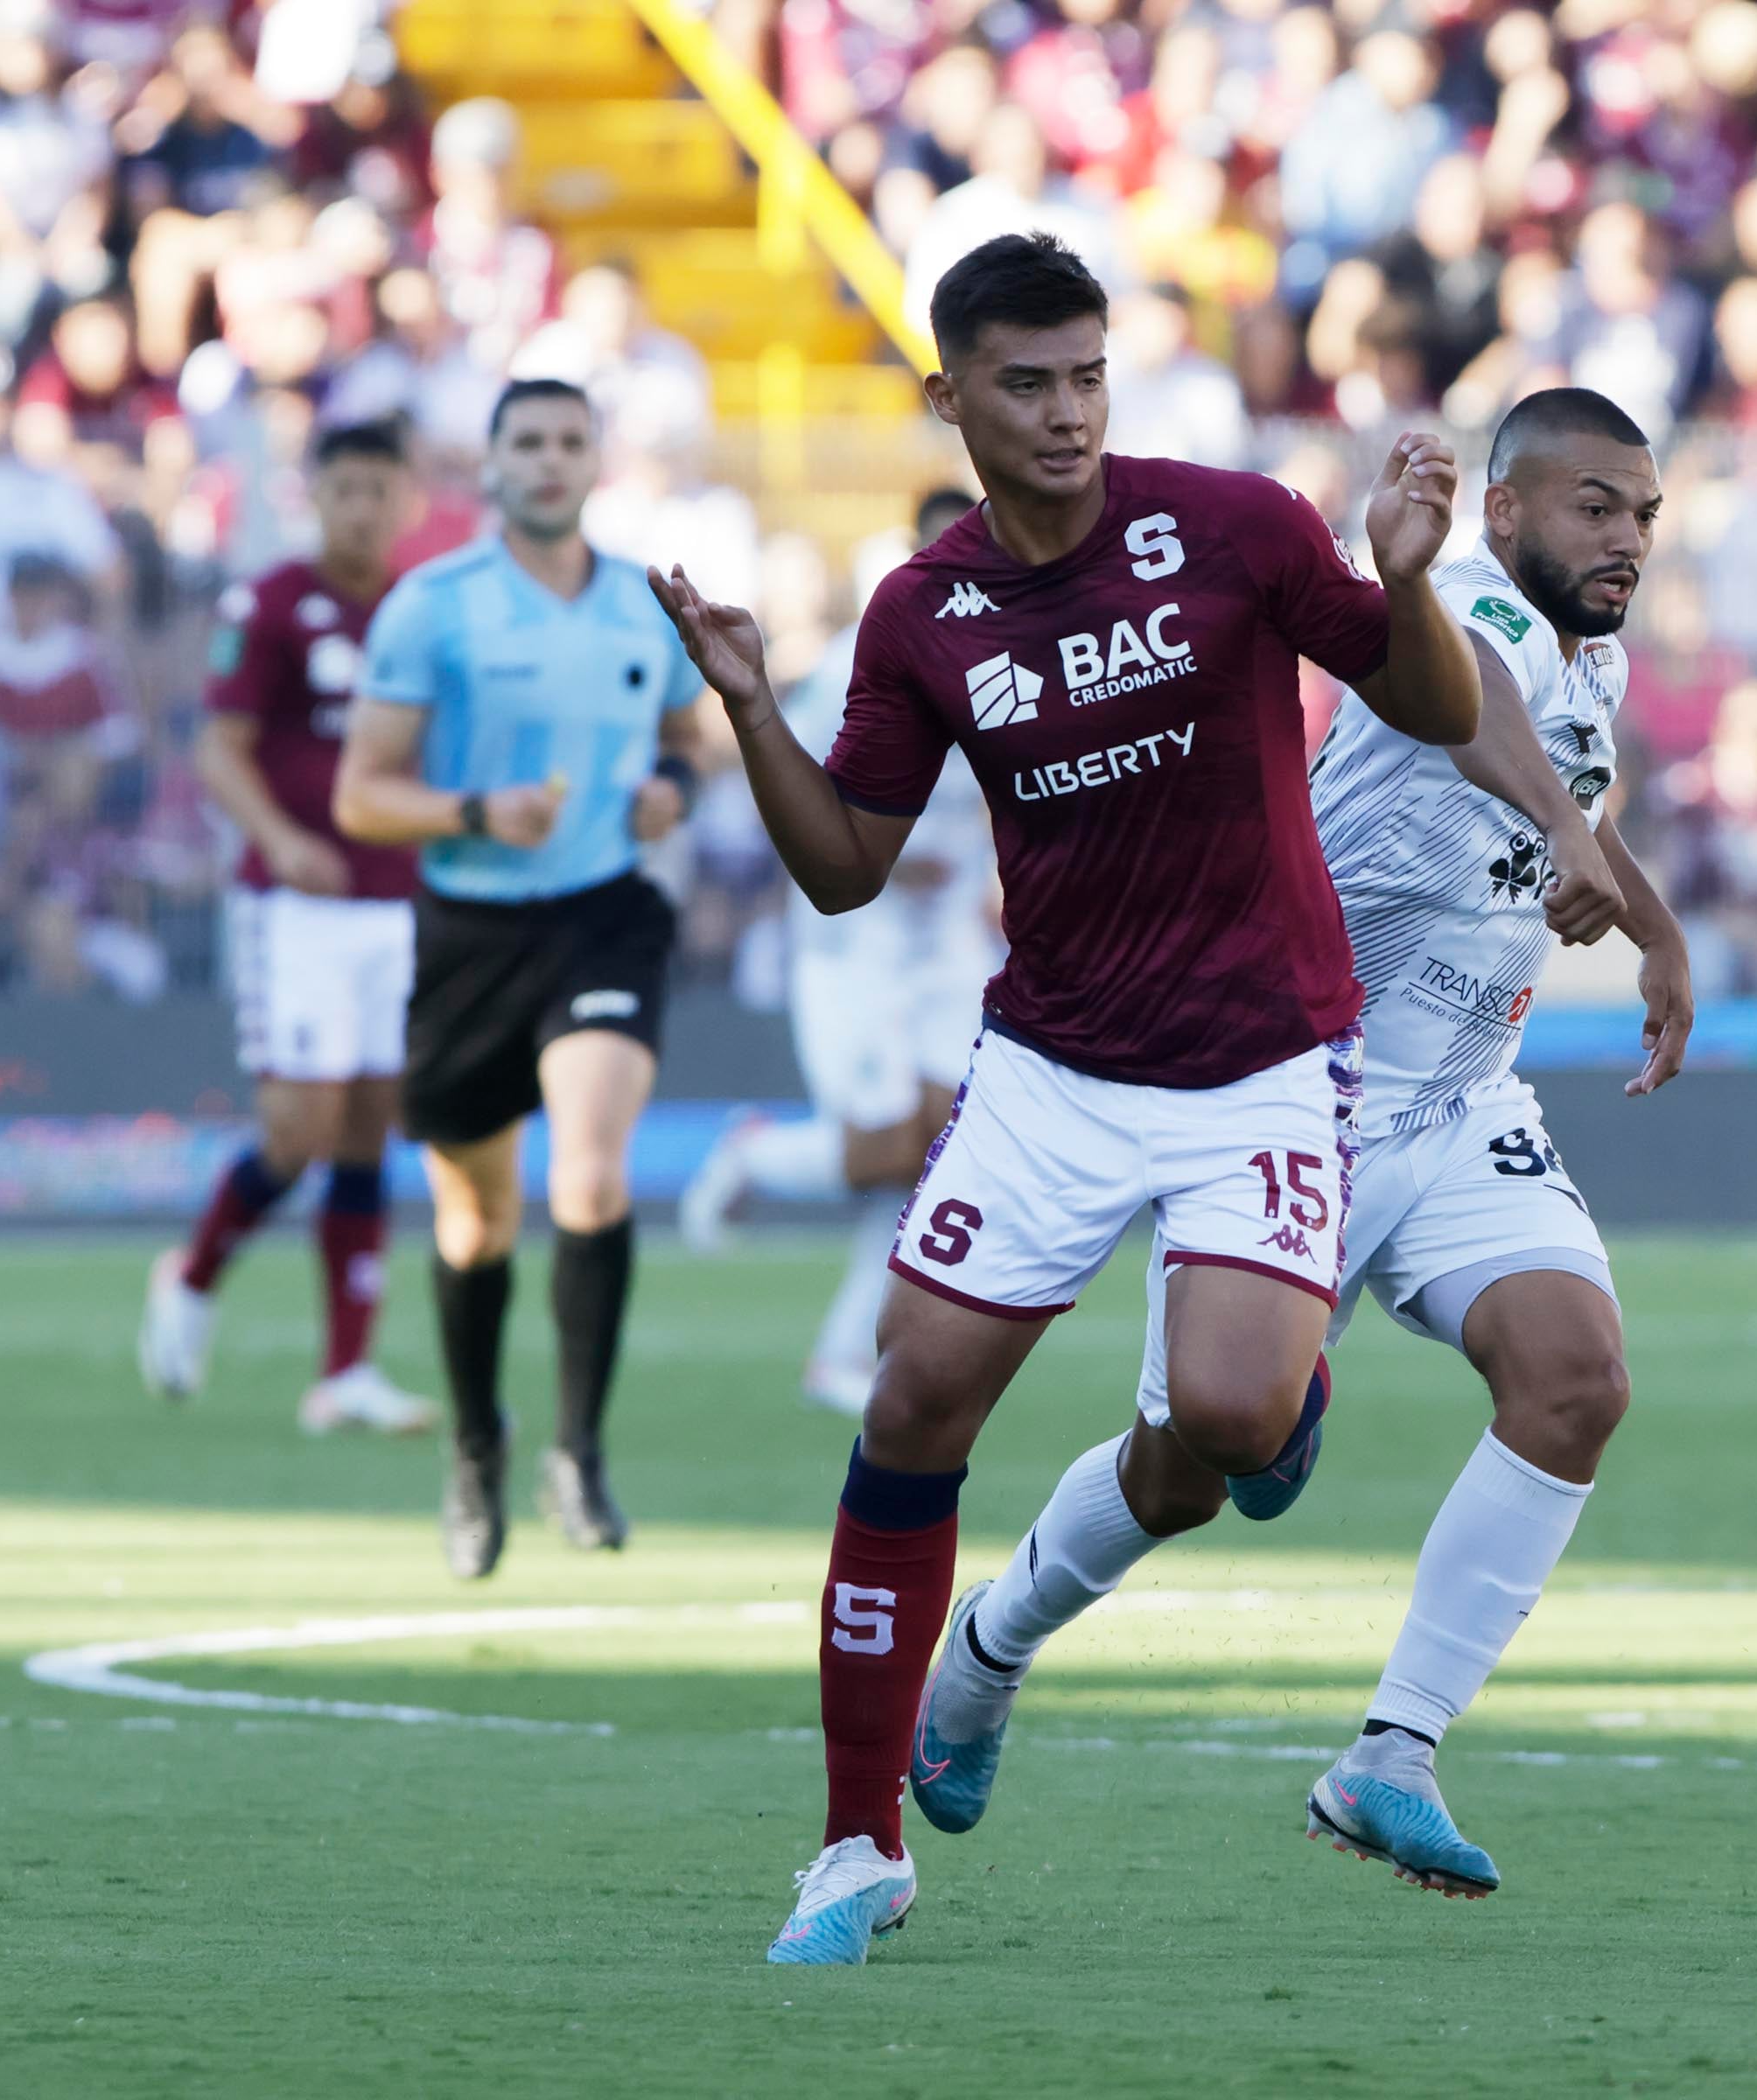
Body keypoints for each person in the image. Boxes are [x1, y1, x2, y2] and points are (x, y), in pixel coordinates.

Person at [645, 232, 1481, 1965]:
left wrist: (1401, 583)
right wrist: (748, 715)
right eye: (1026, 383)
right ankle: (855, 1846)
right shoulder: (924, 614)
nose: (1068, 414)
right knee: (913, 1399)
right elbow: (845, 871)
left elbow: (1432, 703)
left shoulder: (1238, 525)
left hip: (1259, 1057)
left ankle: (1253, 1403)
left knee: (1241, 1422)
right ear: (950, 396)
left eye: (1089, 375)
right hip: (1050, 1068)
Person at [900, 387, 1691, 1900]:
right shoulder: (1448, 603)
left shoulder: (1594, 644)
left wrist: (1655, 934)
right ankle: (989, 1647)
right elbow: (1470, 710)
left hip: (1461, 1098)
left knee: (1577, 1379)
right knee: (1195, 1465)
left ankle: (1392, 1755)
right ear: (1507, 510)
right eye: (1597, 506)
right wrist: (1581, 837)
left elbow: (1566, 809)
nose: (1628, 538)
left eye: (1645, 513)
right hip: (1298, 1090)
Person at [334, 377, 711, 1578]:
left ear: (596, 462)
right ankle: (477, 1449)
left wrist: (673, 794)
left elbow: (688, 739)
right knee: (476, 1217)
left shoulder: (644, 606)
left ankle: (579, 1453)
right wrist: (472, 810)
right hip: (471, 932)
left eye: (568, 442)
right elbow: (361, 792)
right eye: (526, 443)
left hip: (604, 917)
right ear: (488, 466)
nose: (548, 462)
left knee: (591, 1175)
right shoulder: (431, 608)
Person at [141, 420, 438, 1436]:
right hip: (297, 905)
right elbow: (221, 750)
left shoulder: (421, 609)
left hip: (398, 902)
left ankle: (345, 1371)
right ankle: (191, 1273)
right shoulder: (271, 603)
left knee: (370, 1124)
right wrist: (281, 837)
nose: (362, 507)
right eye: (345, 488)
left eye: (379, 489)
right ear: (315, 495)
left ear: (406, 499)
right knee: (298, 1130)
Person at [678, 486, 1000, 1415]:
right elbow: (799, 790)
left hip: (945, 944)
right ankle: (756, 1155)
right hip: (853, 938)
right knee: (889, 1148)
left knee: (948, 1147)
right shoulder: (868, 658)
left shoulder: (1026, 649)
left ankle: (844, 1357)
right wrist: (884, 860)